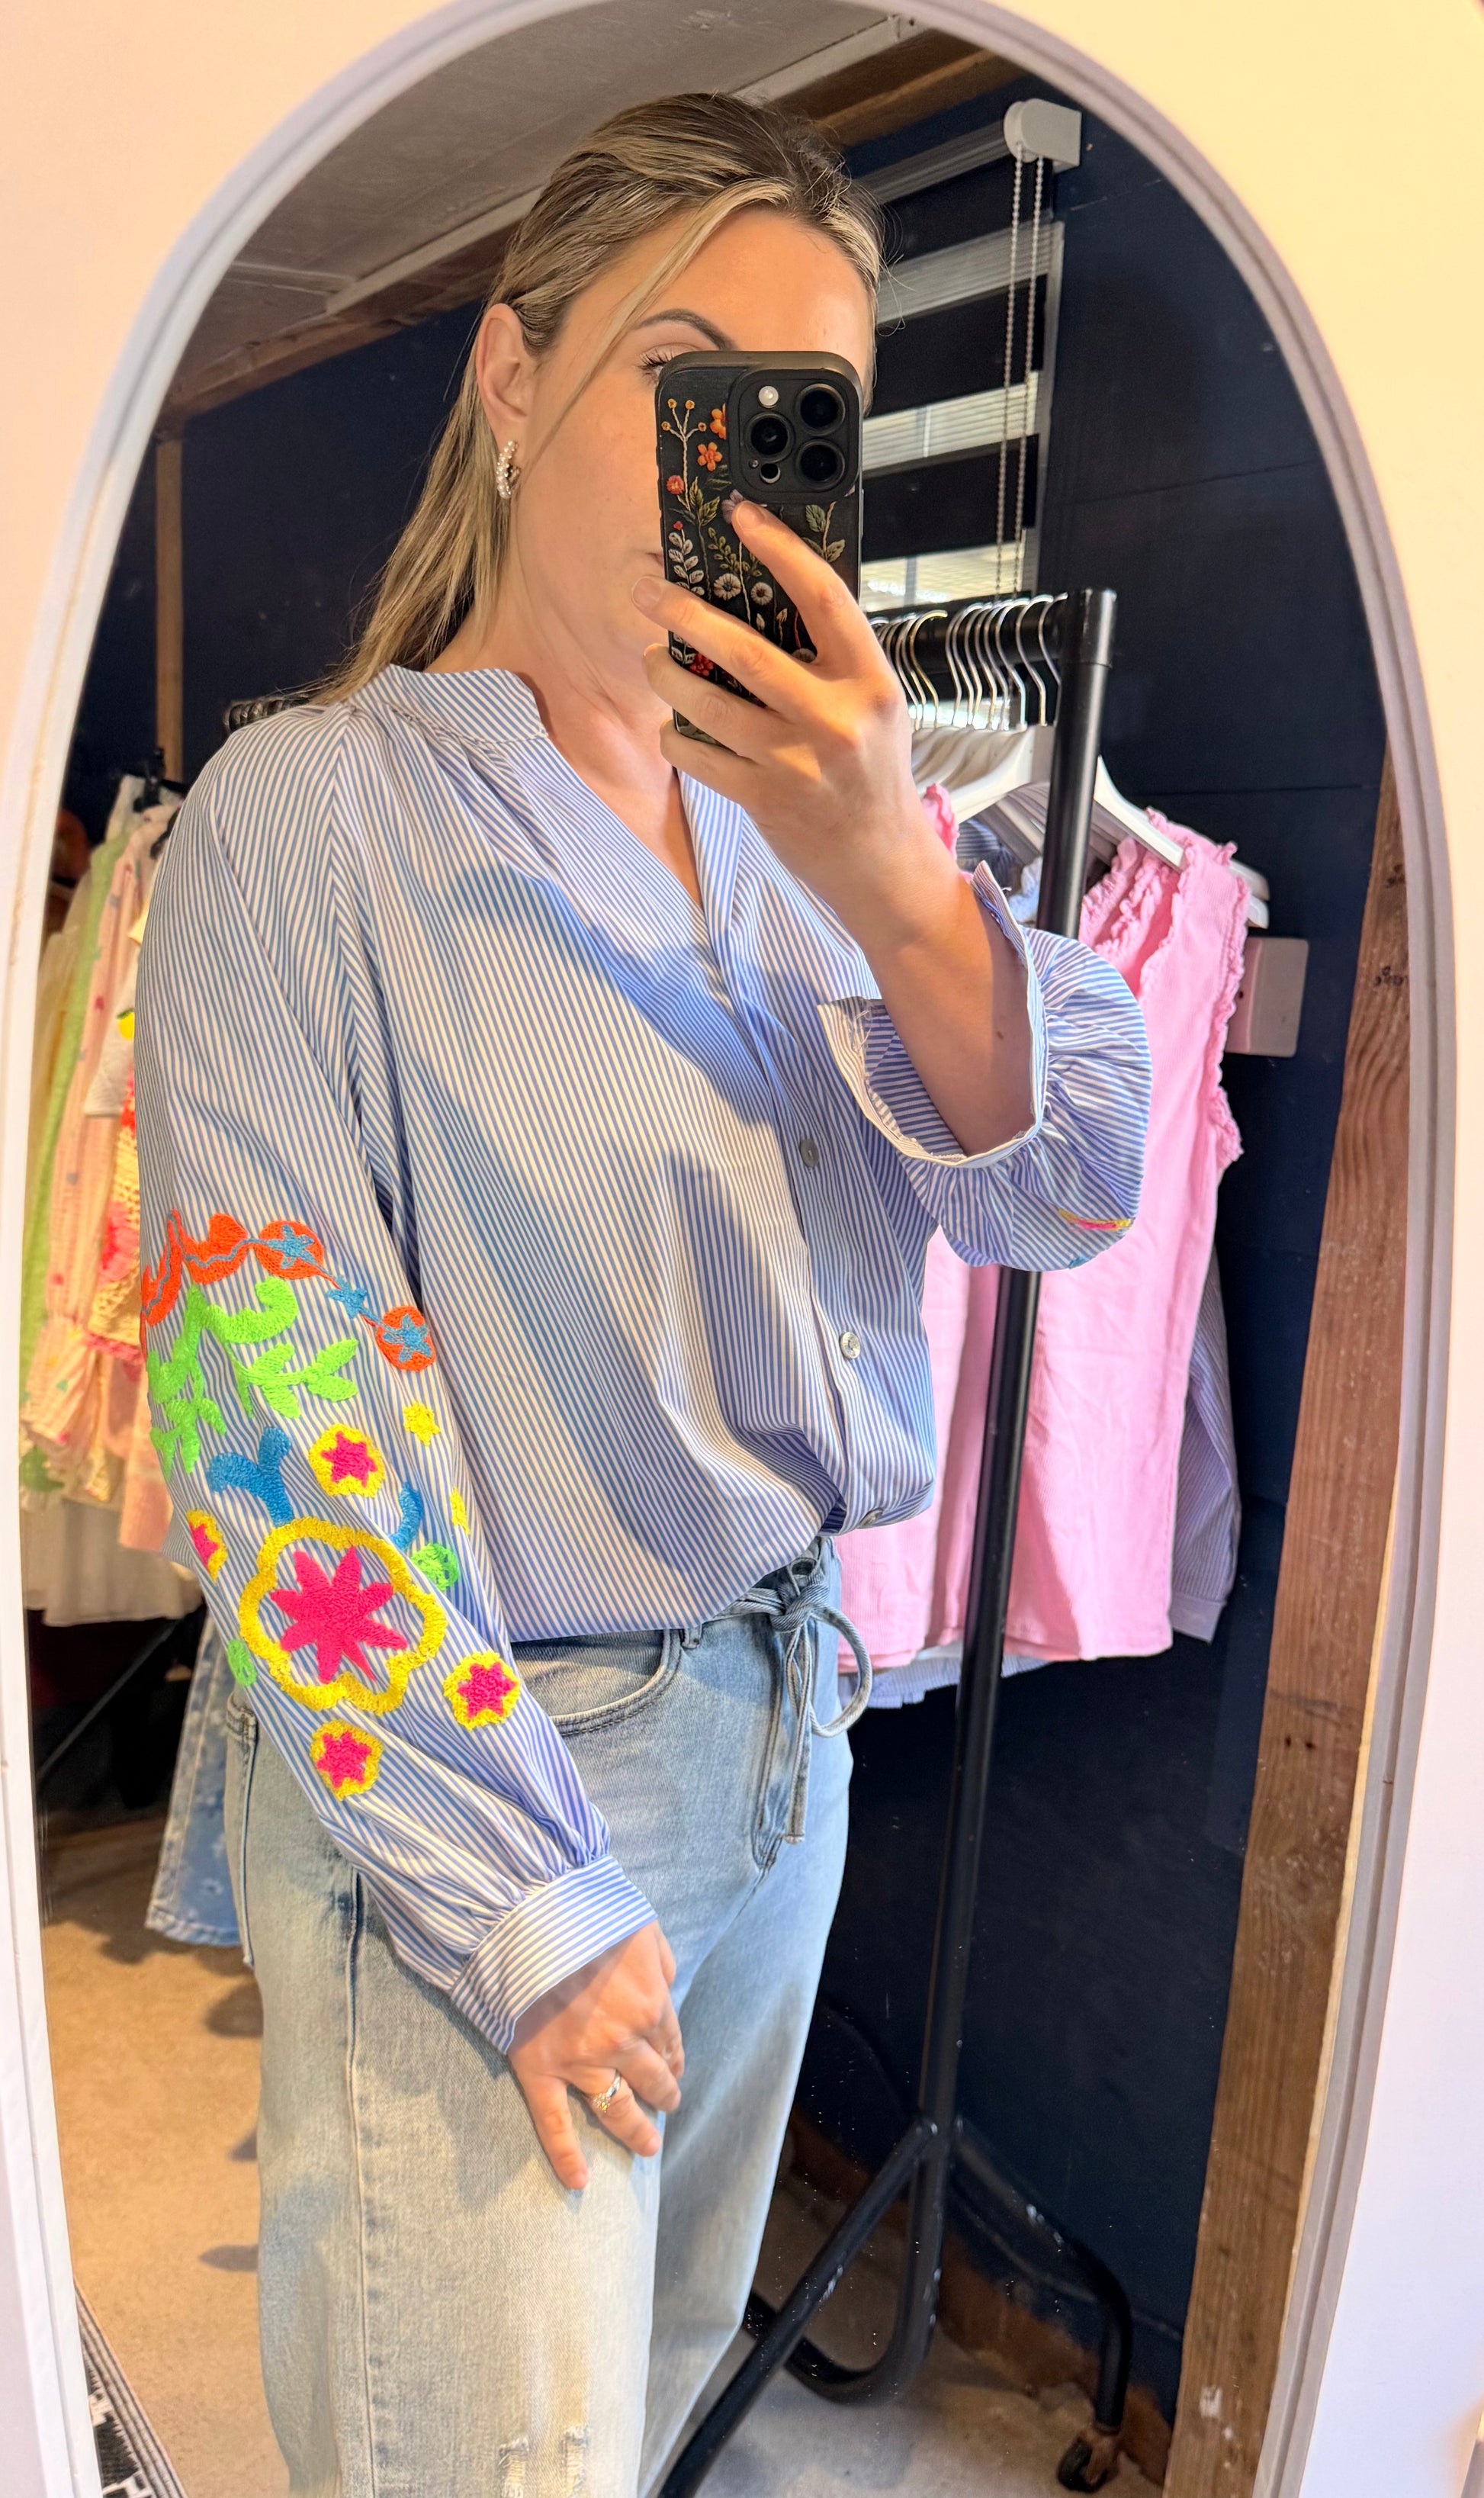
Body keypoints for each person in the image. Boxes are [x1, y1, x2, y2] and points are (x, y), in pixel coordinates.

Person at [134, 91, 1149, 2498]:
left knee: (660, 2393)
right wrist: (520, 1892)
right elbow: (272, 1405)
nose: (745, 463)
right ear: (511, 378)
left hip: (789, 1731)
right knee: (488, 2455)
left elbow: (1075, 1178)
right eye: (686, 375)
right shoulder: (320, 816)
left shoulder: (841, 829)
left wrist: (893, 873)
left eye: (803, 412)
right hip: (502, 1765)